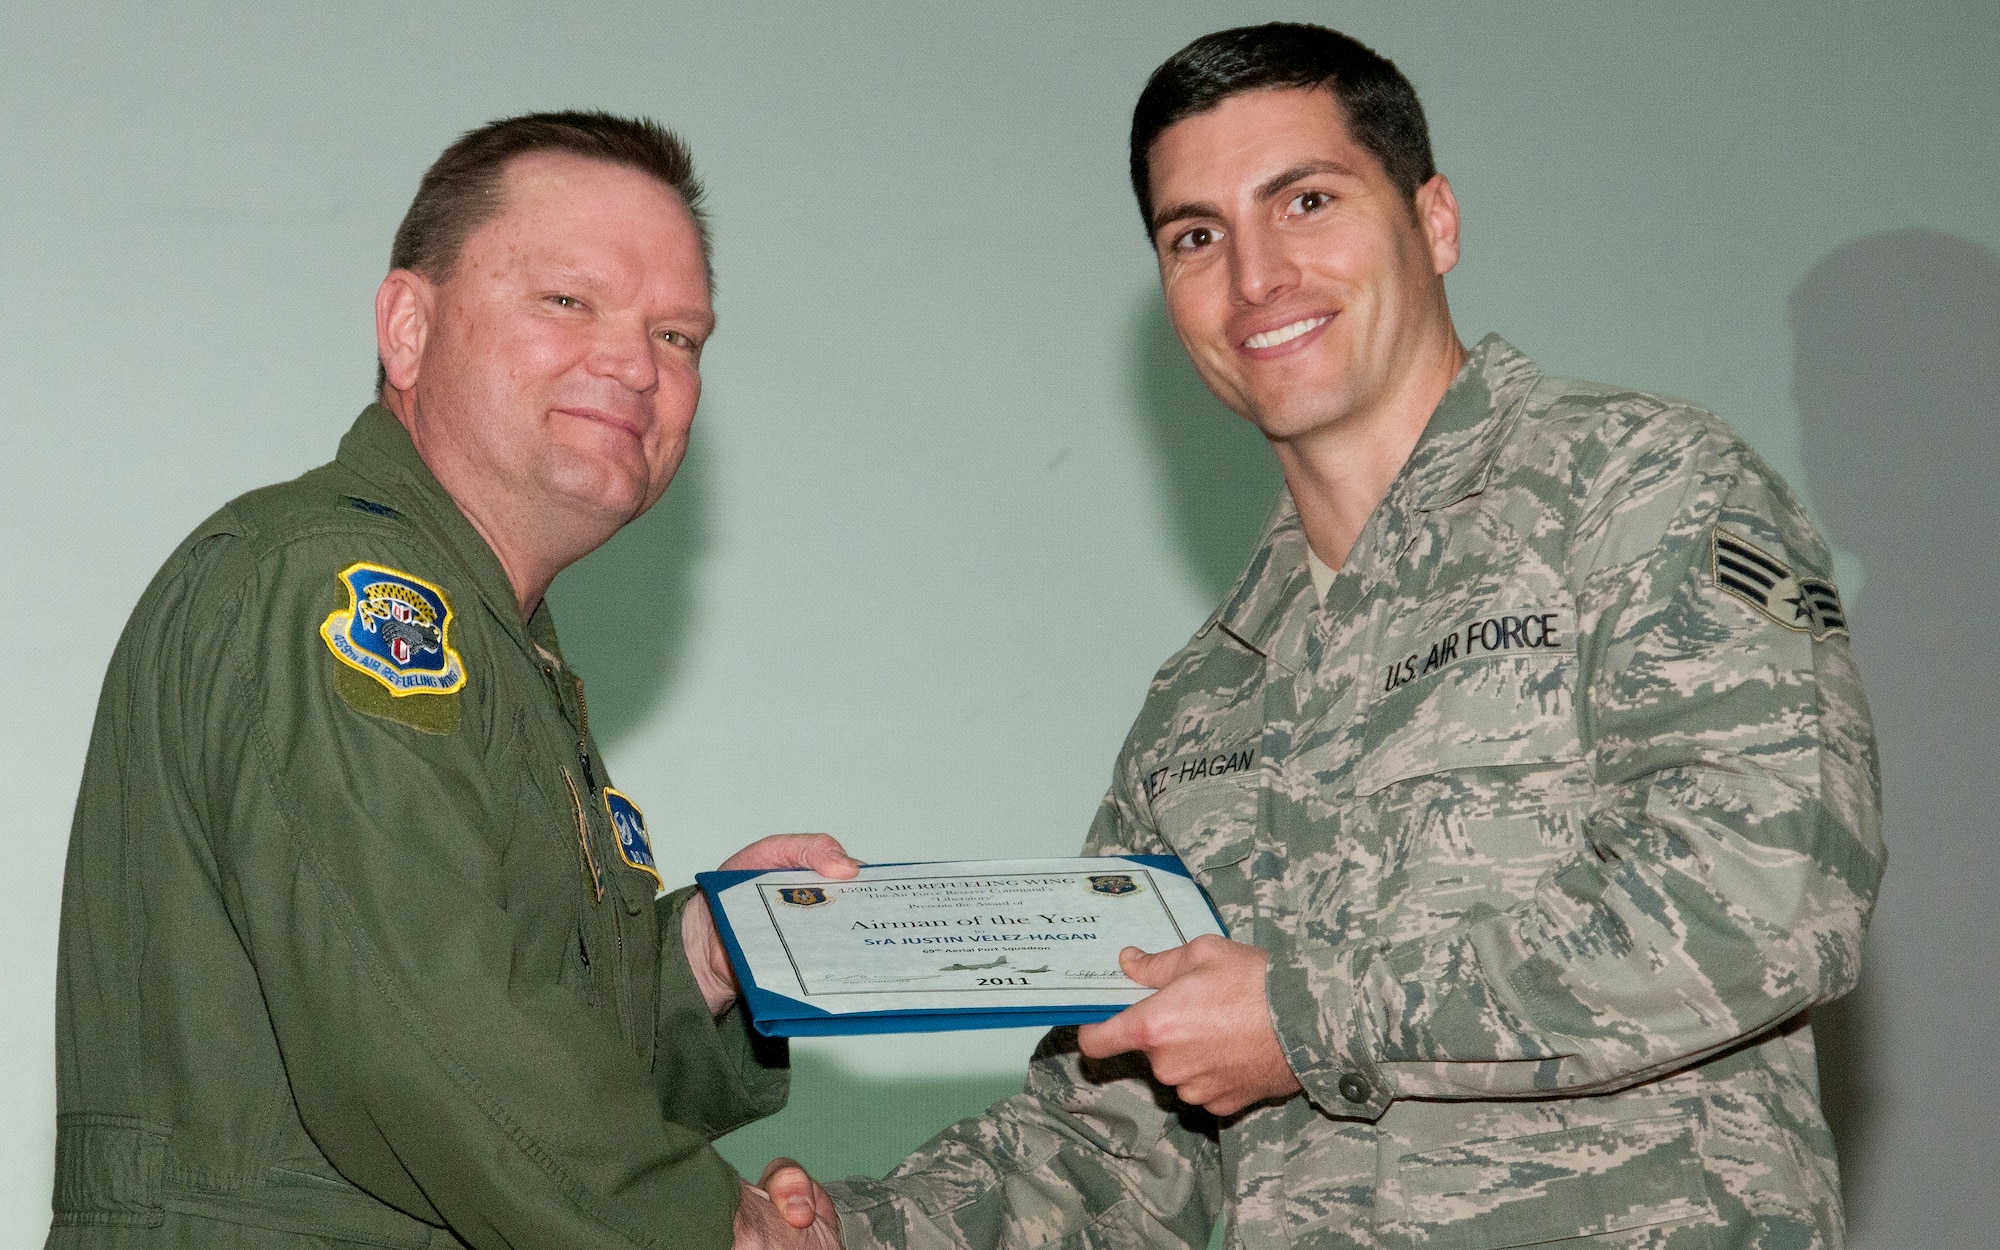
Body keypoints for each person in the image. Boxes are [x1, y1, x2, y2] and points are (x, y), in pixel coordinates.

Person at [756, 23, 1884, 1250]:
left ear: (1434, 221)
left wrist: (1301, 1018)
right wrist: (864, 1230)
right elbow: (1117, 1135)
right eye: (1195, 235)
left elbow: (1768, 892)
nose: (1255, 276)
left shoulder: (1638, 490)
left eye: (1304, 200)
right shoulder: (1201, 697)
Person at [48, 111, 857, 1250]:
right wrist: (712, 1227)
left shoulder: (495, 635)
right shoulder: (333, 585)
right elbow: (424, 1041)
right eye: (568, 302)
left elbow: (499, 1014)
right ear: (408, 326)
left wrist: (700, 960)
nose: (635, 364)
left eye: (679, 336)